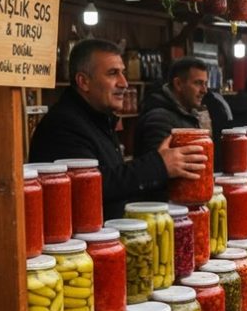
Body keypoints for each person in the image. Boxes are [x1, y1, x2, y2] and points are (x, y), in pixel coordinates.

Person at [29, 39, 206, 219]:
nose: (124, 83)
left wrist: (160, 166)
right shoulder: (63, 125)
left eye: (123, 73)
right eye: (113, 73)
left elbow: (115, 182)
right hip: (79, 244)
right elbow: (91, 186)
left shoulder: (99, 119)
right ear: (83, 81)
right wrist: (158, 165)